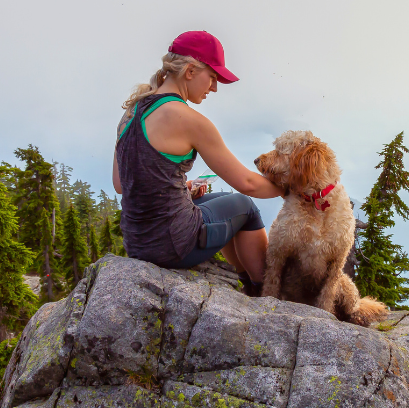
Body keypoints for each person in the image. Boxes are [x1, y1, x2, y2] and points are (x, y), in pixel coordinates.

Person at [113, 30, 283, 295]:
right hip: (173, 246)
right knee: (244, 206)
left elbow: (121, 184)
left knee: (223, 198)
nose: (214, 87)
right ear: (190, 71)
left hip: (137, 243)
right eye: (212, 77)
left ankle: (246, 281)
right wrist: (293, 189)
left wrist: (181, 188)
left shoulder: (131, 112)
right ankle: (265, 290)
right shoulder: (190, 120)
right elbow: (248, 184)